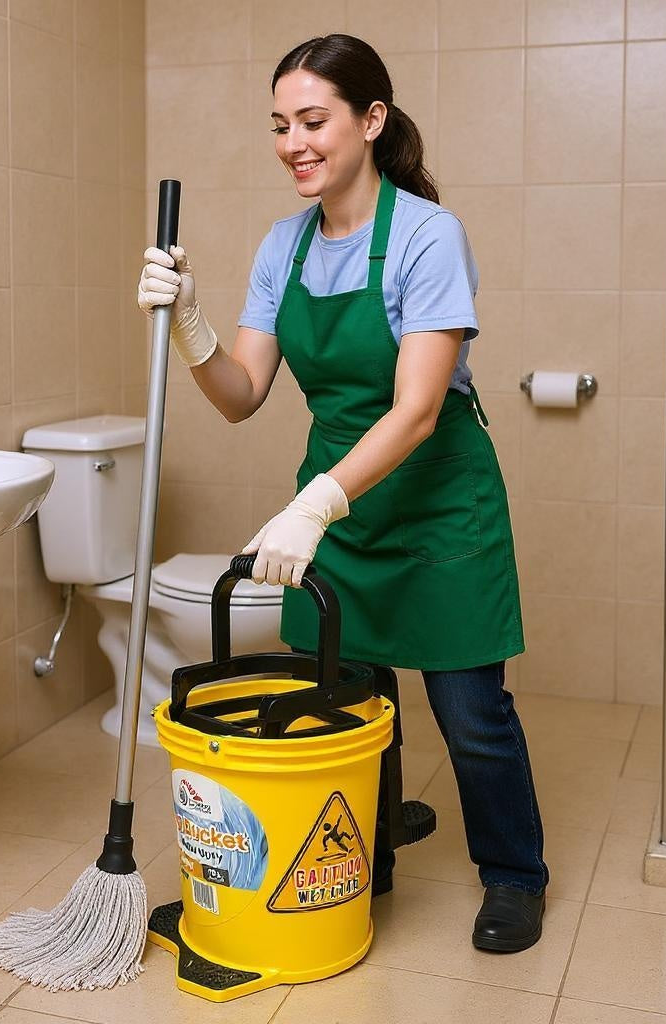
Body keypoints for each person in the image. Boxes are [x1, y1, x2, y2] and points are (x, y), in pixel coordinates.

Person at [138, 33, 549, 953]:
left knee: (470, 713)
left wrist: (315, 504)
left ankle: (516, 873)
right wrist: (191, 322)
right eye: (281, 125)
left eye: (314, 120)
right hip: (338, 504)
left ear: (371, 121)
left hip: (436, 502)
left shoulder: (428, 236)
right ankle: (372, 843)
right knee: (356, 695)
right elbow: (242, 397)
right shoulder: (282, 247)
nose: (294, 142)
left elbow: (413, 411)